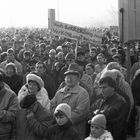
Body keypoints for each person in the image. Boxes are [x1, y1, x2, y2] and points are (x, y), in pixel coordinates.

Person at [51, 63, 90, 139]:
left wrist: (62, 119)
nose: (69, 79)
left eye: (72, 77)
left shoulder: (83, 93)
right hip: (59, 131)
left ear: (78, 79)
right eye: (67, 77)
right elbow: (52, 106)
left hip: (76, 131)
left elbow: (80, 112)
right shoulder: (59, 92)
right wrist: (57, 118)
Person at [16, 73, 52, 140]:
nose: (31, 86)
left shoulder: (43, 98)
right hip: (22, 130)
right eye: (30, 84)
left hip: (35, 132)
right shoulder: (22, 96)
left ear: (38, 87)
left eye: (34, 85)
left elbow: (45, 116)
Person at [0, 72, 19, 140]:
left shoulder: (11, 95)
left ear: (1, 82)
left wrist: (1, 113)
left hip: (4, 134)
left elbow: (14, 114)